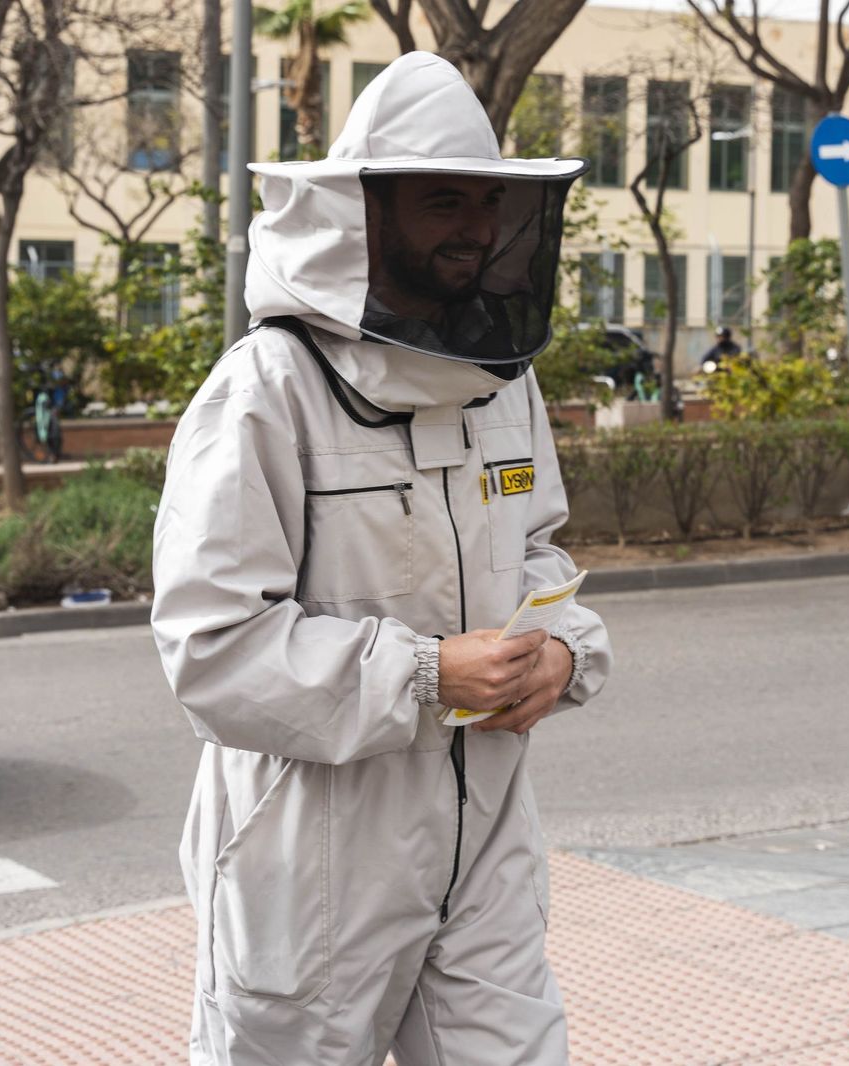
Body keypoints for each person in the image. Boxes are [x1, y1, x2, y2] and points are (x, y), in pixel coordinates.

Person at [150, 53, 612, 1066]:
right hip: (311, 860)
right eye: (443, 200)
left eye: (488, 202)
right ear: (365, 210)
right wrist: (421, 673)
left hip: (484, 833)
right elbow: (212, 649)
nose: (476, 229)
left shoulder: (502, 384)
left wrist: (563, 650)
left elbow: (538, 553)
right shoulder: (266, 391)